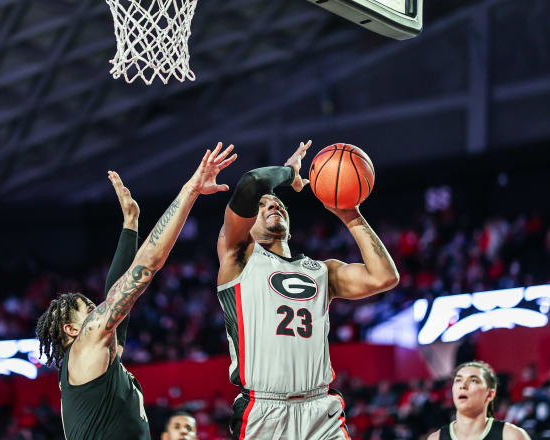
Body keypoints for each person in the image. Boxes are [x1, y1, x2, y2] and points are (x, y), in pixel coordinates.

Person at [36, 143, 237, 440]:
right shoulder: (86, 344)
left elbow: (116, 295)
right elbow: (147, 265)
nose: (99, 312)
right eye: (91, 311)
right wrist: (190, 190)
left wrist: (130, 225)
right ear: (72, 328)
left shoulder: (97, 362)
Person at [216, 140, 399, 439]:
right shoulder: (238, 257)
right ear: (245, 225)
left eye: (277, 203)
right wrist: (289, 173)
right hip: (264, 409)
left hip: (320, 410)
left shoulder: (322, 270)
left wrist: (350, 214)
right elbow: (251, 183)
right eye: (261, 206)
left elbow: (384, 277)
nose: (272, 204)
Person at [428, 361, 531, 440]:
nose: (463, 386)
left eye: (473, 381)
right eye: (458, 380)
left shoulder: (512, 436)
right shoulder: (436, 438)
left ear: (490, 394)